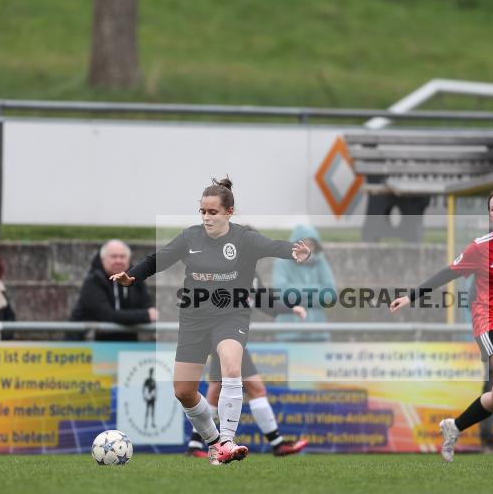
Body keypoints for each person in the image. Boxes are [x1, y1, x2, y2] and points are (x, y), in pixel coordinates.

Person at [111, 176, 310, 466]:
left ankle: (228, 441)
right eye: (203, 211)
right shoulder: (190, 237)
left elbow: (273, 246)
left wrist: (294, 250)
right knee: (183, 391)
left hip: (231, 315)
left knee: (231, 366)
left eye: (213, 212)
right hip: (193, 318)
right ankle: (215, 443)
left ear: (229, 212)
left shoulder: (244, 239)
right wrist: (133, 275)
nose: (206, 217)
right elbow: (158, 259)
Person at [390, 188, 493, 465]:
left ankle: (454, 426)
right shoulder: (481, 246)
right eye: (492, 208)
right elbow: (448, 272)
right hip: (488, 318)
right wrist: (410, 296)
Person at [186, 265, 310, 458]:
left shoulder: (251, 273)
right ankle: (276, 444)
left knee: (220, 390)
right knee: (250, 388)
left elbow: (263, 299)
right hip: (222, 337)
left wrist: (291, 308)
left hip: (233, 339)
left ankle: (195, 445)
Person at [69, 239, 157, 342]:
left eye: (122, 257)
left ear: (128, 260)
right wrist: (145, 315)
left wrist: (146, 314)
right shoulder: (93, 281)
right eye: (113, 256)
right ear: (103, 259)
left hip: (127, 346)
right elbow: (106, 315)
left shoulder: (135, 280)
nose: (118, 260)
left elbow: (148, 306)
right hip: (85, 348)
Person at [272, 224, 337, 341]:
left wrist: (297, 296)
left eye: (310, 245)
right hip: (289, 334)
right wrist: (317, 289)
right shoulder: (282, 263)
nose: (307, 248)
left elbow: (330, 295)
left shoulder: (321, 263)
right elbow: (281, 293)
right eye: (303, 244)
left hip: (318, 334)